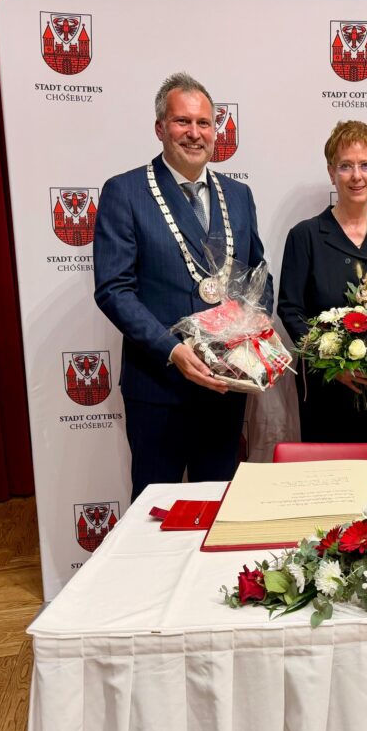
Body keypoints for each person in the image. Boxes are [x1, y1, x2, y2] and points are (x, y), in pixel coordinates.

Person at [94, 72, 272, 501]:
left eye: (204, 123)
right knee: (154, 512)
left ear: (216, 131)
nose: (194, 133)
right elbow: (114, 289)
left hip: (225, 387)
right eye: (182, 122)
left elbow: (257, 277)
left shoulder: (239, 195)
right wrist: (171, 350)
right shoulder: (126, 192)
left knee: (218, 506)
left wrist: (248, 333)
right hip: (159, 385)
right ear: (160, 128)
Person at [278, 121, 367, 442]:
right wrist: (332, 363)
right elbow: (290, 309)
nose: (356, 175)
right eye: (346, 166)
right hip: (327, 392)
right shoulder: (306, 236)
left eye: (365, 165)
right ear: (331, 172)